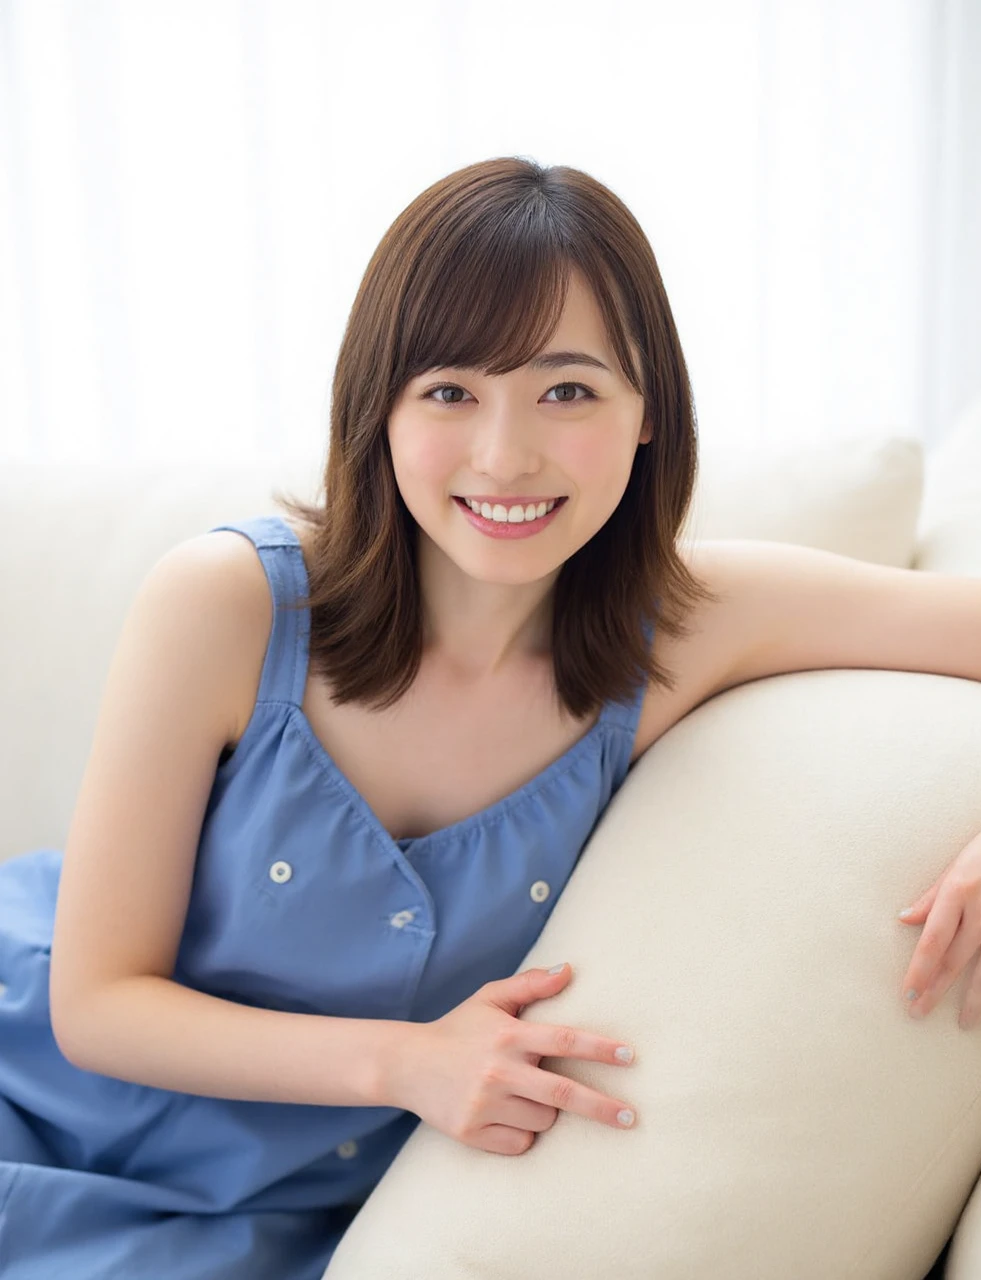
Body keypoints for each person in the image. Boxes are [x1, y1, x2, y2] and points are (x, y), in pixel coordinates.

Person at [0, 155, 724, 1278]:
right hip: (35, 1097)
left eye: (567, 389)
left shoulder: (685, 631)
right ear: (376, 410)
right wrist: (408, 1063)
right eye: (449, 391)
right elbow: (94, 1003)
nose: (505, 452)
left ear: (647, 416)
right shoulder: (229, 601)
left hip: (281, 1218)